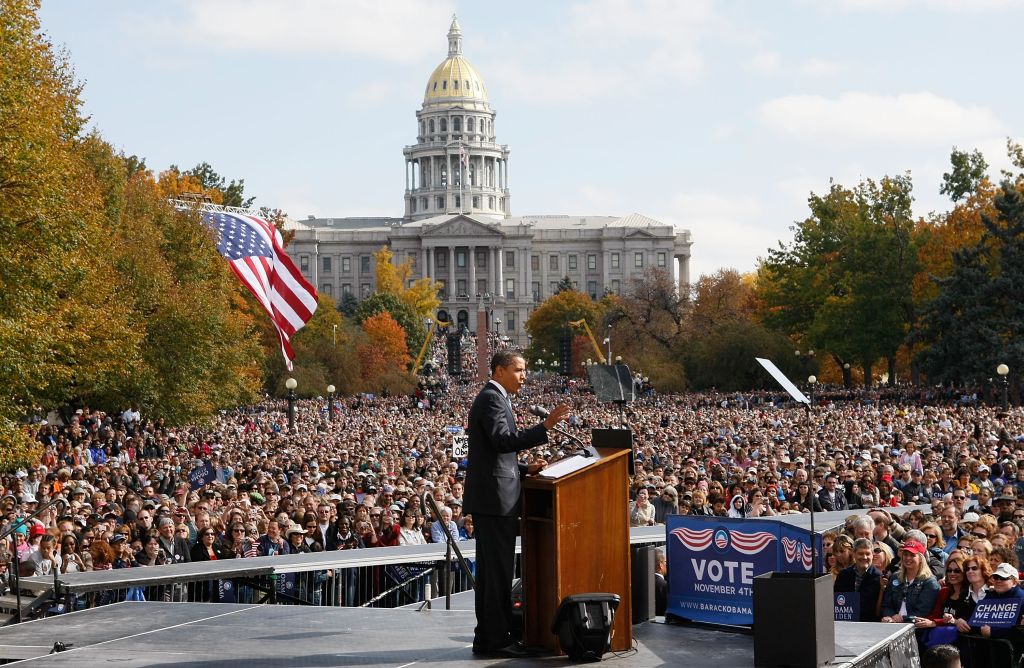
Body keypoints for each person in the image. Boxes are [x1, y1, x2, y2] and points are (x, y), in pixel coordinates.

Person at [464, 350, 568, 658]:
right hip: (495, 501)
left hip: (497, 496)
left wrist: (524, 469)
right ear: (499, 371)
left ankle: (488, 637)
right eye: (519, 369)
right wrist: (545, 427)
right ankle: (496, 640)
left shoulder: (495, 398)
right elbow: (502, 442)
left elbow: (495, 453)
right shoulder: (492, 399)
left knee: (494, 574)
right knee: (496, 575)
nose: (524, 376)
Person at [880, 539, 940, 623]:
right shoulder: (895, 577)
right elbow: (886, 605)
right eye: (905, 554)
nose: (908, 558)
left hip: (915, 629)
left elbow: (922, 613)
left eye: (912, 555)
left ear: (920, 558)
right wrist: (891, 616)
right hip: (892, 624)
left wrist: (900, 619)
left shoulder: (929, 582)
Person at [834, 537, 882, 622]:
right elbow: (837, 601)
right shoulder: (843, 575)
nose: (864, 557)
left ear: (872, 555)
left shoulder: (878, 577)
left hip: (870, 626)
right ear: (854, 554)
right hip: (846, 624)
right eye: (860, 553)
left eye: (868, 554)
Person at [654, 548, 668, 616]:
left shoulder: (640, 583)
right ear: (660, 565)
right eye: (665, 562)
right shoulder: (664, 586)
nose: (667, 564)